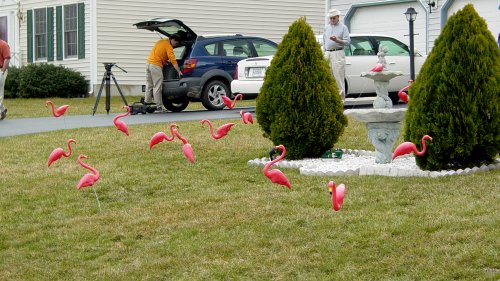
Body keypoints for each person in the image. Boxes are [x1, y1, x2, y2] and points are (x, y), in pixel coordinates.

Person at [145, 34, 182, 112]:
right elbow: (173, 60)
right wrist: (179, 71)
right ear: (173, 40)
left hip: (148, 64)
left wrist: (164, 62)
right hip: (156, 66)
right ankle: (159, 107)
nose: (175, 46)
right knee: (157, 86)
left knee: (149, 85)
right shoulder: (168, 46)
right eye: (176, 43)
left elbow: (158, 54)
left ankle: (146, 104)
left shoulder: (160, 41)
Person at [323, 8, 350, 100]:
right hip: (327, 53)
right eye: (330, 18)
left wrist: (337, 40)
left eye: (333, 18)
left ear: (338, 17)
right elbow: (324, 41)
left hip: (338, 52)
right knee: (327, 78)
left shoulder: (343, 27)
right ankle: (331, 100)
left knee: (338, 78)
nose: (332, 20)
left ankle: (341, 102)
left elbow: (347, 42)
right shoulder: (326, 27)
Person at [0, 32, 10, 120]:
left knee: (0, 92)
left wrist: (2, 72)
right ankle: (2, 110)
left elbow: (7, 58)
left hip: (1, 70)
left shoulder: (3, 44)